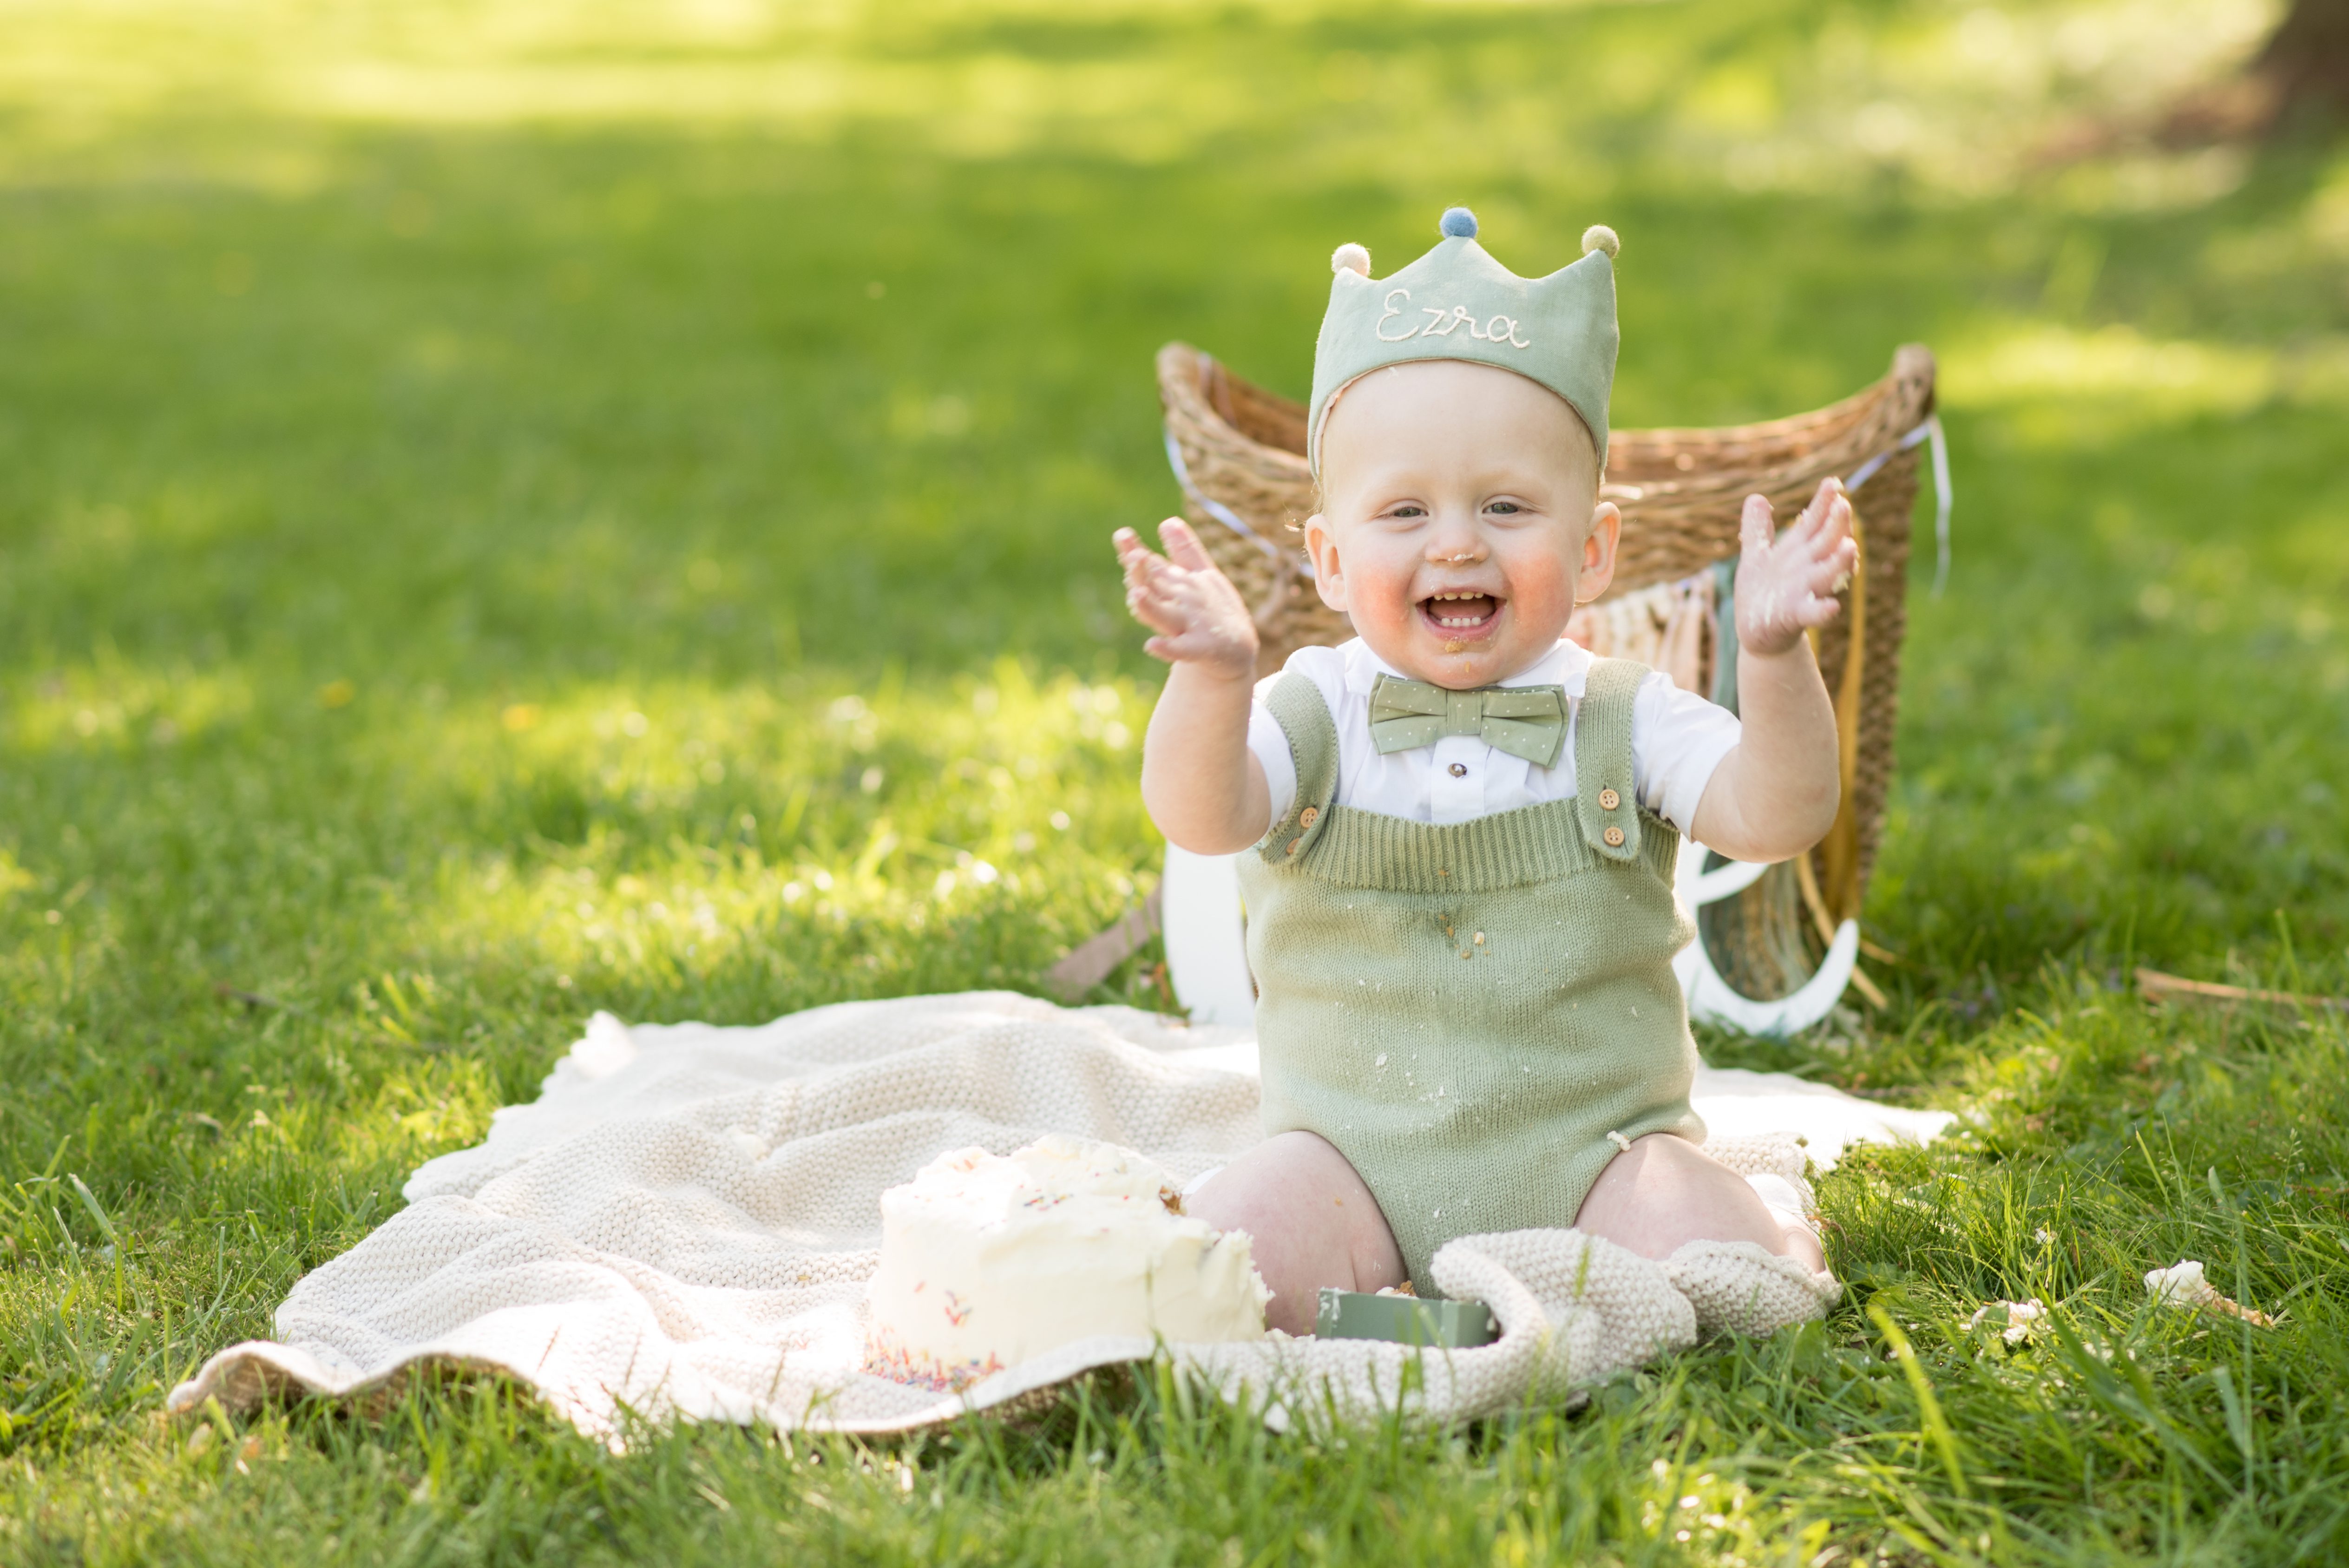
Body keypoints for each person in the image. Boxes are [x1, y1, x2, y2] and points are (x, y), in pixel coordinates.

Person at [1114, 208, 1852, 1335]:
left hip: (1593, 1153)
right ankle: (1383, 1275)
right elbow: (1199, 814)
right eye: (1403, 510)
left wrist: (1772, 656)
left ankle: (1765, 1221)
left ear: (1594, 548)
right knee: (1208, 1282)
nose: (1455, 543)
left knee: (1728, 1280)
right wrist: (1214, 680)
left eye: (1505, 507)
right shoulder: (1311, 709)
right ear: (1326, 556)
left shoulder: (1623, 714)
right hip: (1345, 1158)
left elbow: (1778, 814)